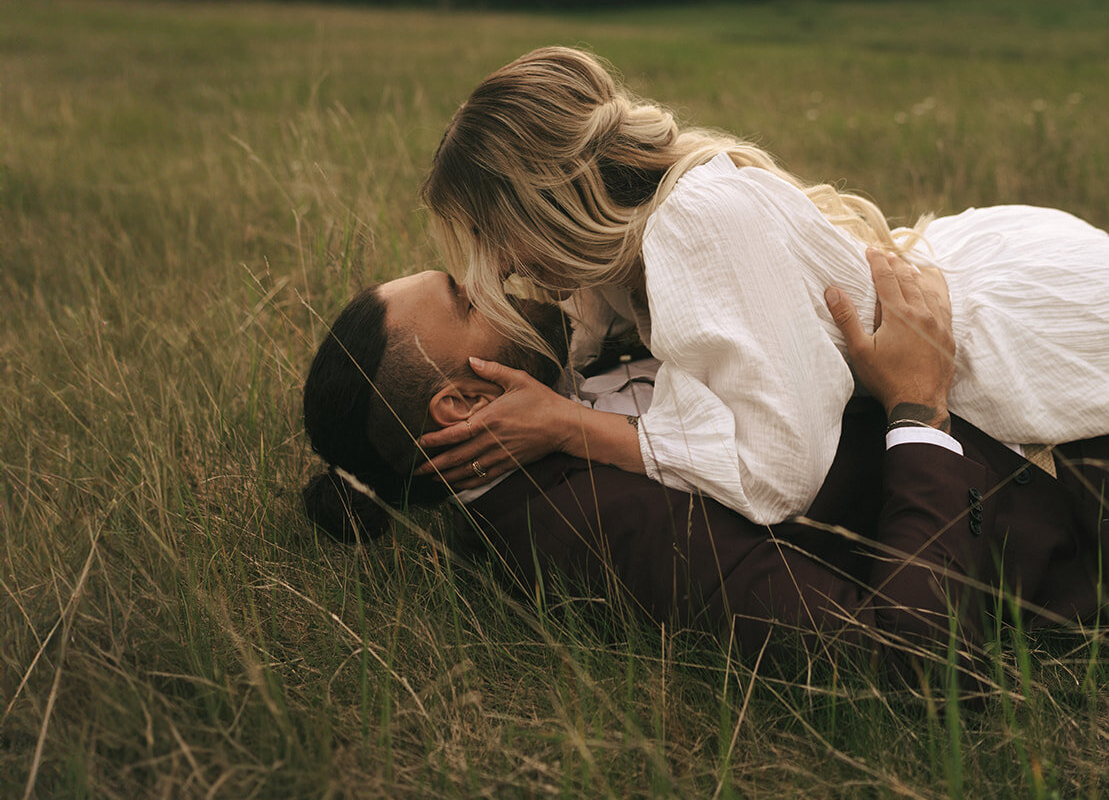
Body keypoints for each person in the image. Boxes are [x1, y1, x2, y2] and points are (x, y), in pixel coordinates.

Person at [301, 253, 1109, 678]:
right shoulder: (590, 520)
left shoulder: (558, 415)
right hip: (1071, 544)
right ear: (459, 406)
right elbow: (896, 660)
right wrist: (918, 409)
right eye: (466, 300)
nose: (492, 281)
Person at [419, 46, 1109, 524]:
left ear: (548, 205)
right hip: (989, 264)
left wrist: (572, 428)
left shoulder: (692, 221)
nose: (500, 267)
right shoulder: (627, 252)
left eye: (490, 234)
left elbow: (779, 471)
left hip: (1035, 321)